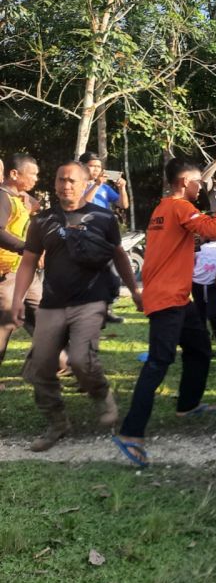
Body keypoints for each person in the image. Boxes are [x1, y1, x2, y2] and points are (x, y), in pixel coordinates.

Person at [113, 158, 216, 467]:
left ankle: (188, 403)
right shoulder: (179, 207)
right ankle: (131, 432)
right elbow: (214, 229)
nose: (202, 187)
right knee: (158, 362)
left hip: (179, 298)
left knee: (199, 349)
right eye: (199, 183)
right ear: (185, 183)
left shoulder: (163, 209)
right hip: (168, 298)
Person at [13, 162, 142, 451]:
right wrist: (17, 298)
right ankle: (57, 422)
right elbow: (29, 261)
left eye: (71, 180)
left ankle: (101, 394)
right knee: (41, 366)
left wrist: (134, 289)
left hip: (90, 300)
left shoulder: (103, 217)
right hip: (52, 303)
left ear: (85, 183)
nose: (65, 185)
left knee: (82, 360)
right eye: (60, 180)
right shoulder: (42, 220)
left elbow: (119, 255)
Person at [0, 154, 41, 372]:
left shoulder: (17, 197)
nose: (36, 179)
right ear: (14, 174)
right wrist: (25, 248)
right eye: (32, 174)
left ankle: (56, 364)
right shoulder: (2, 198)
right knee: (4, 325)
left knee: (44, 316)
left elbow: (37, 205)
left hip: (24, 270)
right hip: (6, 274)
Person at [80, 152, 130, 324]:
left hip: (105, 233)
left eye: (98, 167)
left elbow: (123, 205)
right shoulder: (76, 184)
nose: (95, 170)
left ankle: (106, 309)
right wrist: (95, 185)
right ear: (83, 166)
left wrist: (122, 188)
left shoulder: (105, 188)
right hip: (85, 234)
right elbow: (81, 204)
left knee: (111, 274)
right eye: (92, 166)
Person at [192, 234, 216, 355]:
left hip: (214, 284)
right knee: (200, 314)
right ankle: (205, 344)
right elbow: (191, 259)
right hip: (197, 283)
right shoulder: (197, 241)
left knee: (212, 313)